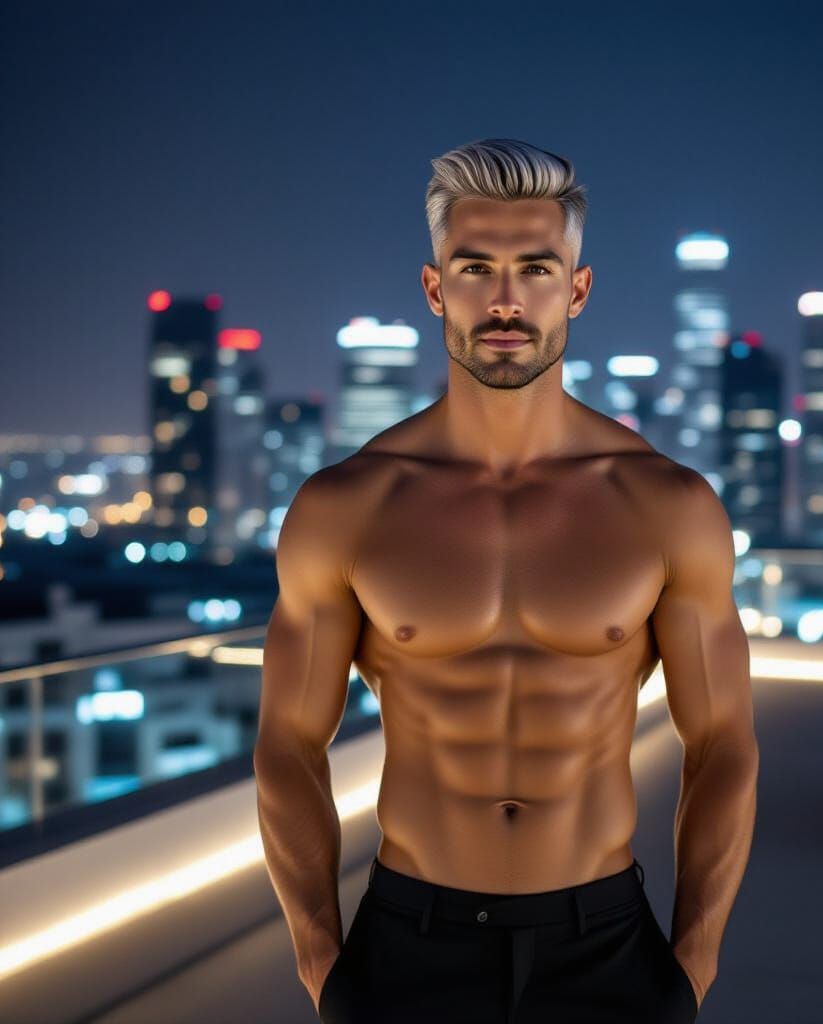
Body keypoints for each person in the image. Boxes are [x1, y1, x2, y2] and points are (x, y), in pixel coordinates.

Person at [253, 137, 759, 1023]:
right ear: (434, 288)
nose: (505, 299)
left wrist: (691, 967)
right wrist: (322, 965)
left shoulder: (665, 504)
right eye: (476, 267)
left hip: (604, 943)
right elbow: (287, 743)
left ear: (577, 289)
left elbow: (722, 743)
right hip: (409, 943)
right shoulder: (347, 506)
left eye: (535, 269)